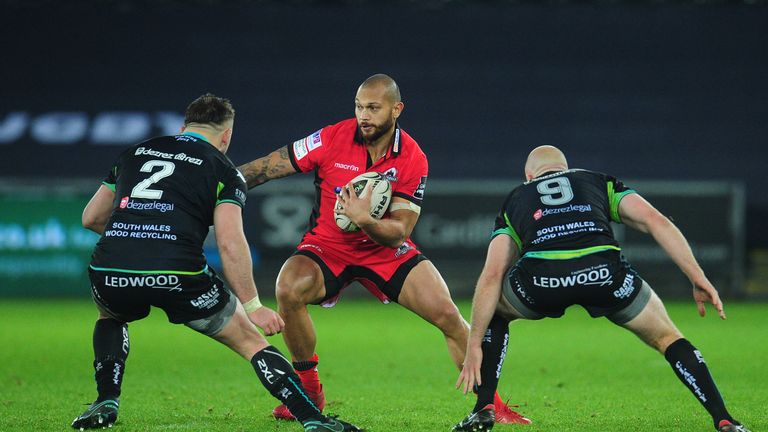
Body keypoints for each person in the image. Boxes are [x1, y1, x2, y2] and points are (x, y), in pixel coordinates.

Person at [236, 74, 529, 424]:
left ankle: (491, 405)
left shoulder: (413, 158)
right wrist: (218, 183)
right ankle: (309, 388)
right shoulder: (332, 137)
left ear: (396, 109)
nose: (364, 115)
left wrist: (365, 220)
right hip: (328, 246)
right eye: (359, 107)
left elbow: (399, 232)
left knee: (449, 315)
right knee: (287, 288)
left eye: (373, 108)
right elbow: (269, 165)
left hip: (384, 251)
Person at [71, 94, 361, 432]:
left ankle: (106, 400)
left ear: (183, 128)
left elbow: (91, 218)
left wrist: (138, 233)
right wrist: (254, 306)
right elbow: (229, 242)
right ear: (226, 136)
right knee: (251, 342)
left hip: (111, 268)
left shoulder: (133, 154)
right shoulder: (223, 169)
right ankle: (313, 419)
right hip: (177, 271)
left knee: (111, 317)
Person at [452, 145, 751, 432]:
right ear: (565, 169)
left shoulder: (517, 197)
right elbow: (655, 221)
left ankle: (484, 407)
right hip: (603, 274)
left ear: (529, 177)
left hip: (544, 281)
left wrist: (474, 343)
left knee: (495, 312)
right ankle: (724, 419)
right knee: (668, 337)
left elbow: (492, 275)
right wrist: (697, 276)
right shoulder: (596, 181)